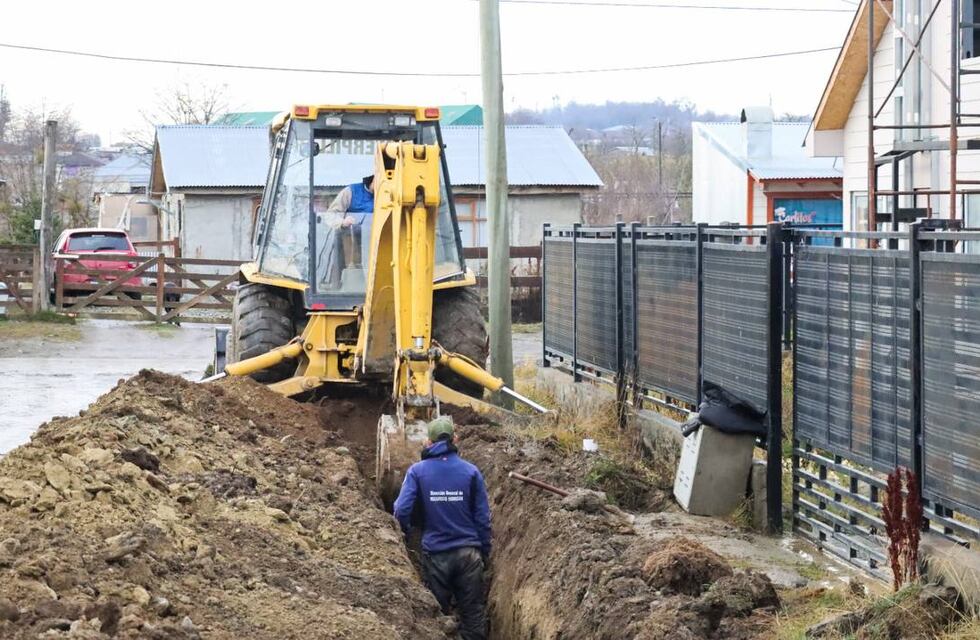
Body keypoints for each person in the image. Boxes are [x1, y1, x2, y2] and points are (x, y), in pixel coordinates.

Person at [393, 417, 491, 640]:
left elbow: (401, 510)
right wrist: (484, 550)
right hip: (469, 555)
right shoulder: (471, 472)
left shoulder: (417, 472)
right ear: (455, 439)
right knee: (473, 614)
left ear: (428, 442)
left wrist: (406, 536)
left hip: (436, 555)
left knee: (436, 616)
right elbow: (483, 518)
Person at [318, 175, 374, 289]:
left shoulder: (390, 195)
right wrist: (342, 222)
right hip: (351, 242)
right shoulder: (351, 192)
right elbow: (330, 215)